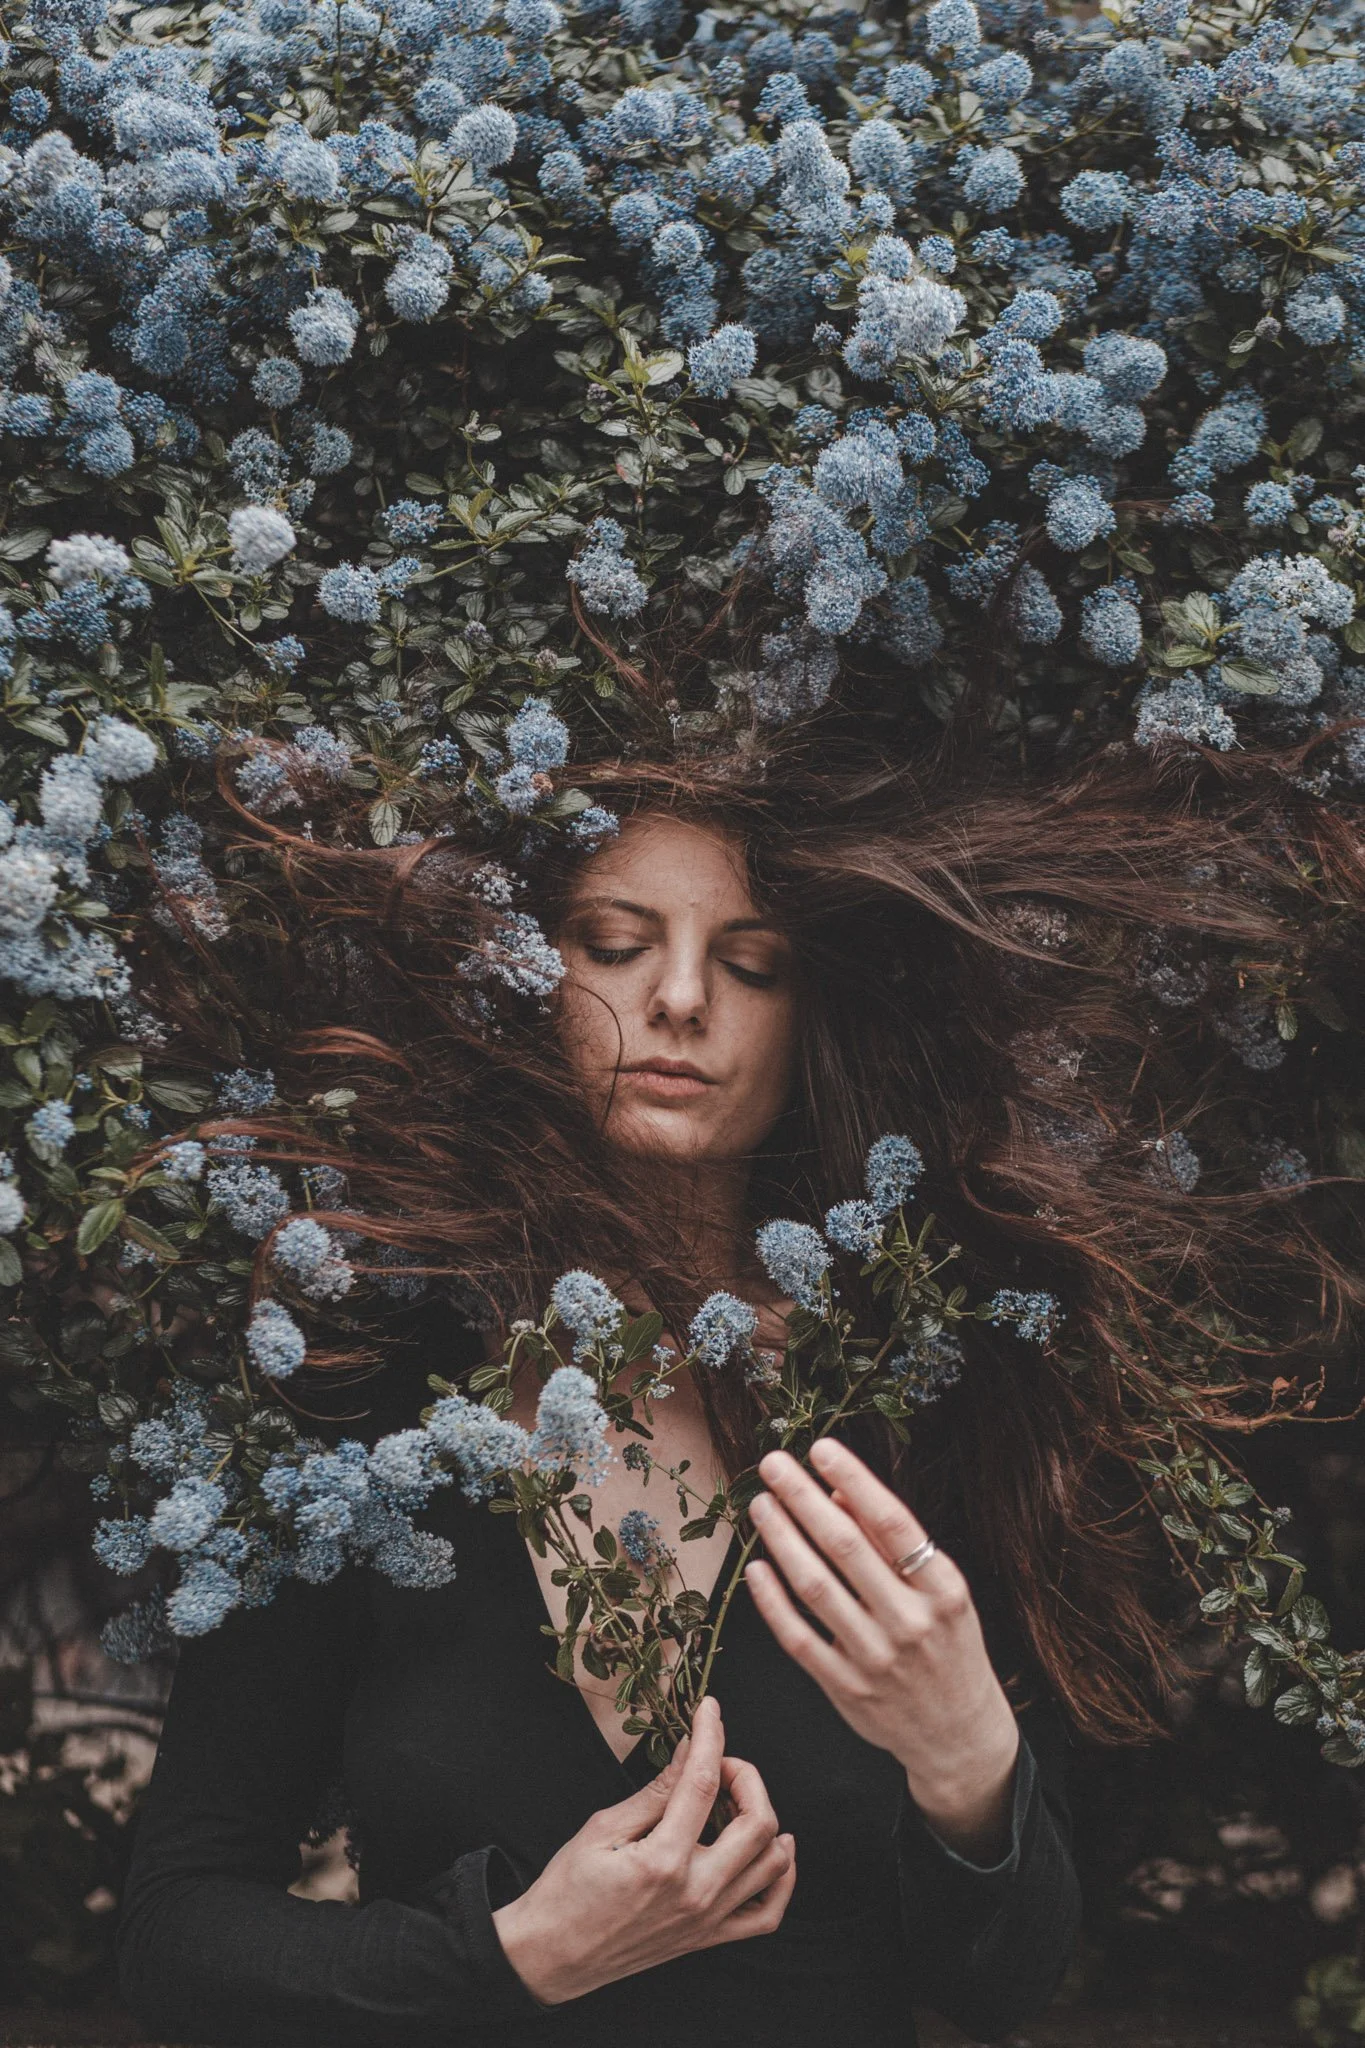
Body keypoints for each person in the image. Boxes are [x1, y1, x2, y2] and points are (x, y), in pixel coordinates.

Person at [116, 722, 1357, 2047]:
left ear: (806, 1017)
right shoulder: (365, 1413)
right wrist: (515, 1954)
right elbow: (175, 1944)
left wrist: (966, 1760)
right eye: (614, 945)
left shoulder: (914, 1397)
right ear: (527, 978)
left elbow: (1001, 1984)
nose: (683, 1000)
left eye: (749, 963)